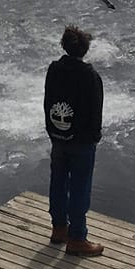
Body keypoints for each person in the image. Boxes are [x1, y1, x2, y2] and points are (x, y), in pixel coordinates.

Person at [44, 24, 104, 256]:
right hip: (81, 141)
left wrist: (53, 130)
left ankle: (59, 228)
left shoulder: (54, 70)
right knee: (80, 187)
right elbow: (95, 110)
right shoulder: (89, 76)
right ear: (85, 50)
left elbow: (48, 100)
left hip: (58, 136)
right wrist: (94, 138)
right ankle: (77, 238)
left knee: (58, 182)